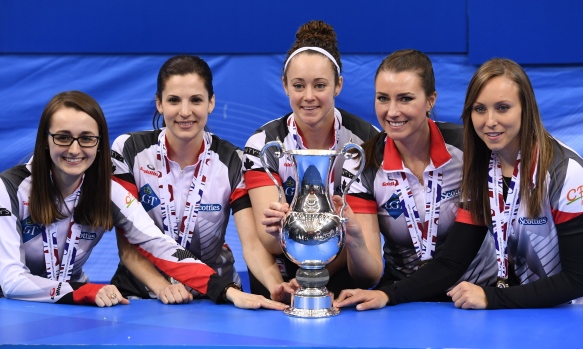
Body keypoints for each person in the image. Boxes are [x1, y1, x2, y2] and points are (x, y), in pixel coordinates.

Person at [0, 90, 285, 309]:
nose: (75, 149)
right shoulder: (10, 186)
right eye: (63, 137)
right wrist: (84, 291)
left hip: (69, 302)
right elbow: (12, 281)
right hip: (2, 301)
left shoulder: (109, 191)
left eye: (87, 138)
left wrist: (227, 291)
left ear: (100, 144)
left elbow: (160, 245)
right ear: (45, 140)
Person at [108, 55, 286, 310]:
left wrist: (275, 286)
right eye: (173, 100)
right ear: (159, 103)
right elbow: (129, 244)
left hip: (216, 297)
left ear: (211, 102)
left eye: (196, 100)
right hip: (141, 295)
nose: (185, 112)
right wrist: (162, 287)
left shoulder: (233, 160)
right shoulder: (128, 150)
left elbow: (252, 244)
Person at [330, 49, 497, 311]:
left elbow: (457, 257)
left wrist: (390, 295)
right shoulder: (362, 163)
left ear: (431, 100)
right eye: (383, 98)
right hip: (404, 302)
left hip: (471, 297)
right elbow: (369, 275)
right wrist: (355, 241)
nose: (392, 111)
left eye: (405, 99)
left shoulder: (468, 149)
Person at [445, 58, 583, 308]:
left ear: (525, 109)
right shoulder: (483, 169)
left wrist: (490, 297)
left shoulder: (567, 172)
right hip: (534, 308)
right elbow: (452, 261)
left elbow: (577, 281)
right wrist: (390, 295)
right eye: (479, 109)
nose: (489, 121)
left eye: (502, 107)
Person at [242, 20, 379, 302]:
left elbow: (360, 240)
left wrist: (313, 277)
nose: (308, 97)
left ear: (338, 85)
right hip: (279, 280)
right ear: (284, 86)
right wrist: (275, 225)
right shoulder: (262, 143)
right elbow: (270, 242)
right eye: (298, 85)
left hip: (341, 279)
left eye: (320, 85)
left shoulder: (366, 141)